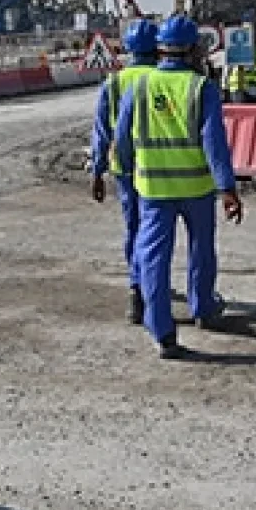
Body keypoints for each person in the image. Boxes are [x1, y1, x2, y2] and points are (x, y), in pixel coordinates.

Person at [114, 15, 244, 359]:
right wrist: (227, 188)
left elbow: (122, 138)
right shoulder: (202, 88)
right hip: (197, 188)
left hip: (153, 190)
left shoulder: (137, 88)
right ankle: (203, 308)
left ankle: (162, 332)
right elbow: (214, 143)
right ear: (192, 49)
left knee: (153, 258)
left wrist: (126, 172)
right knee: (201, 249)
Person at [90, 19, 159, 324]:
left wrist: (96, 170)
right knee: (156, 233)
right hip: (159, 169)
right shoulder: (163, 77)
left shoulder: (114, 83)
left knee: (133, 228)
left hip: (125, 169)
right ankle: (153, 288)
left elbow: (102, 131)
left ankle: (137, 291)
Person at [224, 35, 256, 104]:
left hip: (255, 93)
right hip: (237, 92)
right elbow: (226, 71)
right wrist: (224, 89)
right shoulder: (234, 50)